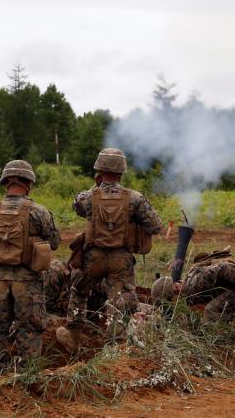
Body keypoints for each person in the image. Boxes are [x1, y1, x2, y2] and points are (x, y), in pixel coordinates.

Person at [56, 148, 162, 352]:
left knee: (79, 291)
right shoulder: (135, 198)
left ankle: (74, 337)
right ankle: (116, 347)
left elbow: (76, 207)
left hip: (92, 257)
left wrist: (96, 188)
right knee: (120, 302)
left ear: (99, 170)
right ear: (122, 172)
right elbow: (155, 226)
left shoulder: (87, 197)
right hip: (120, 259)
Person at [0, 160, 59, 375]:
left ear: (5, 183)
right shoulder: (38, 212)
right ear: (28, 183)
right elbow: (54, 242)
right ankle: (26, 376)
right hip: (28, 281)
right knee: (29, 328)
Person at [152, 247, 235, 323]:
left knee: (211, 313)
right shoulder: (190, 280)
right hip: (234, 286)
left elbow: (224, 268)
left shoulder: (195, 284)